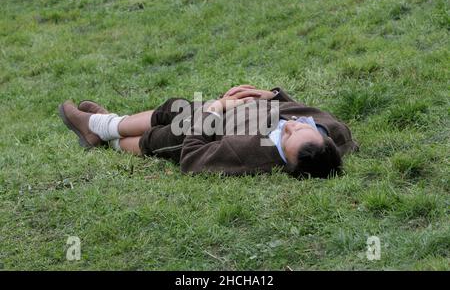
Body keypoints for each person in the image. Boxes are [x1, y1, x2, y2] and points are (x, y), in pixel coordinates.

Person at [59, 85, 358, 178]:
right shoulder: (335, 134)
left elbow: (193, 158)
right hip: (232, 111)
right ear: (325, 138)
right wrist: (271, 95)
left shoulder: (252, 155)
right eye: (300, 128)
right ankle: (104, 124)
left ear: (285, 161)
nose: (290, 127)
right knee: (172, 107)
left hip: (202, 132)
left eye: (286, 139)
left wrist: (213, 110)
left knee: (158, 137)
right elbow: (296, 112)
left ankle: (99, 131)